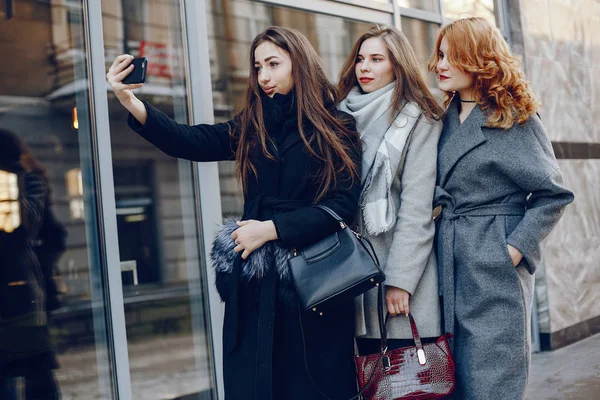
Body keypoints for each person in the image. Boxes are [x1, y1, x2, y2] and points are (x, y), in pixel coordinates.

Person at [106, 26, 362, 400]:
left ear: (299, 64)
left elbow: (342, 206)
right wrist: (130, 102)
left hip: (314, 282)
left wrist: (272, 229)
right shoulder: (252, 125)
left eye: (273, 64)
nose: (264, 77)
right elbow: (190, 140)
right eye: (258, 67)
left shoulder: (337, 126)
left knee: (312, 386)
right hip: (256, 283)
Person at [428, 17, 574, 399]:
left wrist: (510, 251)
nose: (440, 65)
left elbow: (553, 195)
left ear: (478, 59)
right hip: (446, 263)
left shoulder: (512, 119)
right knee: (452, 382)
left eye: (451, 56)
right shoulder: (439, 122)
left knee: (491, 383)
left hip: (491, 266)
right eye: (440, 55)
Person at [337, 24, 444, 354]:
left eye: (376, 59)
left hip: (398, 277)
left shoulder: (418, 119)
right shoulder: (339, 117)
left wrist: (400, 281)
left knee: (408, 380)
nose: (365, 67)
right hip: (352, 277)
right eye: (360, 59)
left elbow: (417, 207)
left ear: (397, 65)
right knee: (371, 379)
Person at [0, 128, 61, 399]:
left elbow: (25, 227)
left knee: (32, 368)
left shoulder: (27, 181)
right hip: (18, 289)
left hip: (20, 292)